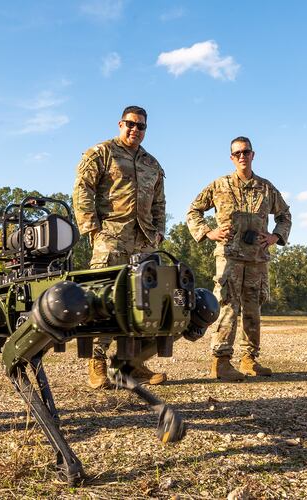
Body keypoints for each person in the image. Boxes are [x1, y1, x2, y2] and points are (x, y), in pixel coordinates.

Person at [72, 106, 168, 389]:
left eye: (141, 126)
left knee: (144, 303)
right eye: (130, 124)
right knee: (105, 300)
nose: (135, 130)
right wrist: (91, 228)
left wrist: (159, 232)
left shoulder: (152, 164)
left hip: (144, 240)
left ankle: (132, 364)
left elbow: (159, 202)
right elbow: (83, 189)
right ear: (120, 123)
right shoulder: (101, 153)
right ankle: (97, 363)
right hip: (110, 237)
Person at [186, 137, 292, 381]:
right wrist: (207, 232)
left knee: (253, 310)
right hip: (230, 257)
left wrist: (276, 236)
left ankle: (249, 360)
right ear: (232, 158)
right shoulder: (219, 185)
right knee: (228, 307)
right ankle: (221, 362)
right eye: (237, 153)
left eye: (246, 152)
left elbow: (285, 215)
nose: (242, 156)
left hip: (257, 258)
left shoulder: (266, 188)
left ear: (253, 155)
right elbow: (193, 210)